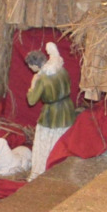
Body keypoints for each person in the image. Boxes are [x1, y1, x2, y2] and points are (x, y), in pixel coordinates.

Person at [24, 44, 74, 180]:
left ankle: (43, 170)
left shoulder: (41, 78)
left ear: (35, 65)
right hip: (67, 109)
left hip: (52, 114)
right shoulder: (60, 69)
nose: (30, 69)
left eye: (30, 66)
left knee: (46, 142)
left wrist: (32, 87)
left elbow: (32, 100)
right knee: (63, 139)